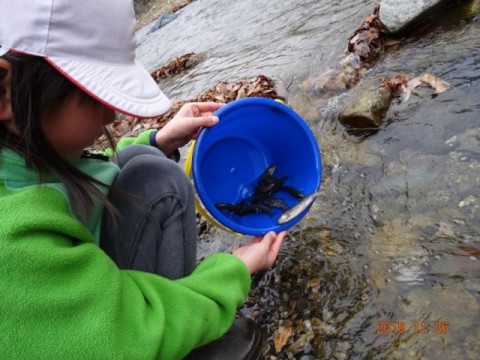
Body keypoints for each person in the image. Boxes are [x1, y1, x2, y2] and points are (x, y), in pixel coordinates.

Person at [0, 0, 286, 359]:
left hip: (63, 305)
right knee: (156, 178)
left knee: (144, 165)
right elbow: (120, 336)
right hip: (97, 341)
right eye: (92, 95)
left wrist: (158, 139)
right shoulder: (10, 251)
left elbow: (88, 164)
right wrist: (234, 271)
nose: (111, 113)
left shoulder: (16, 158)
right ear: (5, 93)